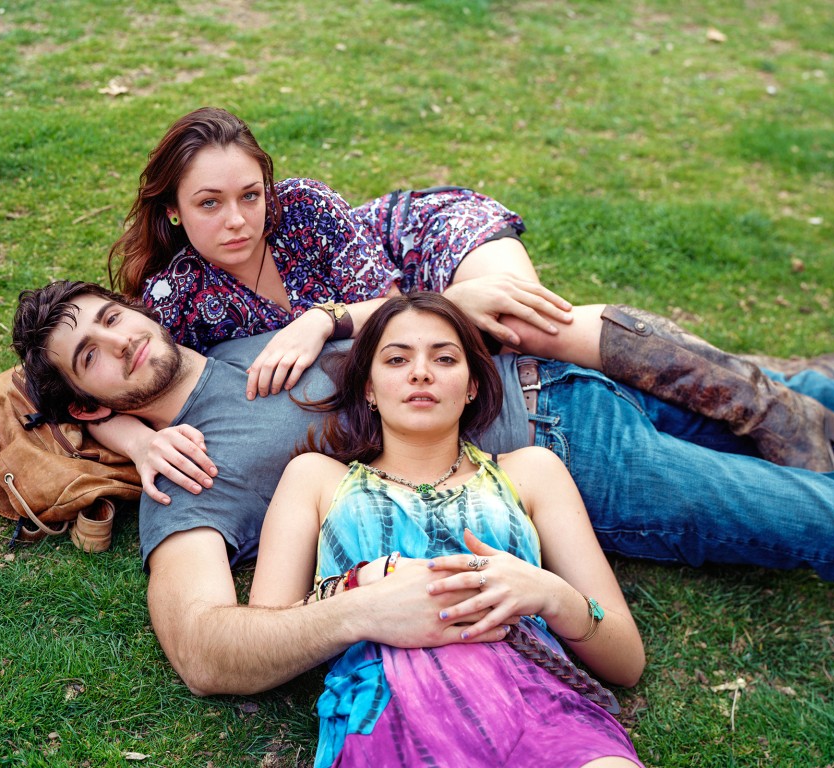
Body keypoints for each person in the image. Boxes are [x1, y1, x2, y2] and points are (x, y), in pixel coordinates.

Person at [11, 281, 834, 697]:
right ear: (83, 399)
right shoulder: (184, 475)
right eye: (88, 354)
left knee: (828, 413)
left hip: (564, 369)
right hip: (563, 462)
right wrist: (353, 614)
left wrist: (332, 318)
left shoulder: (229, 332)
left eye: (111, 317)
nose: (118, 342)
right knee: (830, 522)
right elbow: (202, 651)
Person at [104, 105, 834, 471]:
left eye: (249, 195)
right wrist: (139, 445)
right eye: (208, 204)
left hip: (427, 253)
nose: (238, 221)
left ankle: (775, 412)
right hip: (390, 321)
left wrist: (316, 322)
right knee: (524, 348)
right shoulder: (176, 301)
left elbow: (398, 310)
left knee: (525, 326)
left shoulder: (304, 207)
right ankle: (813, 381)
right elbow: (73, 394)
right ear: (172, 209)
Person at [249, 292, 645, 766]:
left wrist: (548, 593)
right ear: (369, 389)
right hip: (389, 715)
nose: (421, 372)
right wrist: (355, 590)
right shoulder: (316, 480)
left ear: (473, 384)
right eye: (397, 359)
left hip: (541, 710)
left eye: (444, 357)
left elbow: (626, 660)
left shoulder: (532, 473)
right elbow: (259, 647)